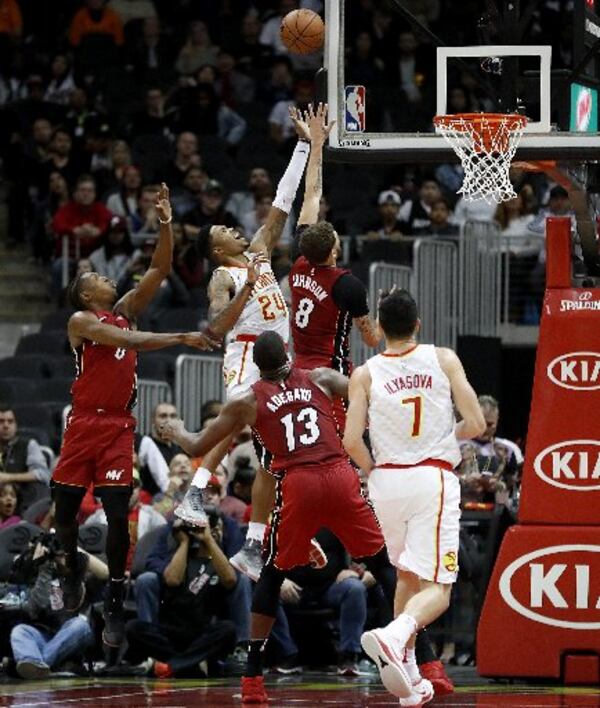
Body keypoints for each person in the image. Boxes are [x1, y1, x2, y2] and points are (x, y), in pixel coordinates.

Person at [159, 330, 398, 705]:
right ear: (288, 354)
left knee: (270, 572)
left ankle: (253, 675)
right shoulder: (317, 375)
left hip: (299, 481)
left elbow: (197, 444)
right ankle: (418, 654)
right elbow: (365, 394)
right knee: (383, 565)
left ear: (257, 367)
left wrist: (175, 430)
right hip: (338, 473)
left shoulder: (248, 399)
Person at [50, 183, 216, 651]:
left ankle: (115, 596)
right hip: (84, 422)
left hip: (119, 426)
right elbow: (133, 344)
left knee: (120, 513)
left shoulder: (125, 312)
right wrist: (182, 336)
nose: (107, 278)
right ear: (86, 295)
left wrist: (164, 221)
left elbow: (160, 267)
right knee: (63, 510)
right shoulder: (82, 323)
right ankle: (69, 568)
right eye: (96, 277)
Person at [173, 117, 311, 569]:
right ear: (216, 250)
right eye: (223, 233)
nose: (233, 231)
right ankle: (193, 497)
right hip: (248, 354)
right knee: (231, 428)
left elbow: (282, 204)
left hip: (279, 362)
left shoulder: (258, 251)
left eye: (233, 229)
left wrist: (305, 147)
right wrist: (249, 287)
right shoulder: (223, 274)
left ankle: (253, 544)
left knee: (273, 455)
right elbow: (215, 327)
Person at [343, 288, 485, 702]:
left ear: (381, 328)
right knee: (439, 588)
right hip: (431, 479)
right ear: (418, 325)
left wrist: (377, 473)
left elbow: (352, 440)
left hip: (386, 483)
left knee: (406, 575)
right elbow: (476, 422)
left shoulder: (365, 373)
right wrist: (446, 434)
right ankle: (396, 633)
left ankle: (408, 679)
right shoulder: (443, 359)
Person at [126, 512, 237, 678]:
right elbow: (172, 580)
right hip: (170, 632)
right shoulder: (180, 557)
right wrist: (184, 542)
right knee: (133, 628)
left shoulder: (219, 562)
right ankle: (190, 664)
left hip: (201, 634)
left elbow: (230, 580)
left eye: (216, 528)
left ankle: (173, 665)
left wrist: (209, 541)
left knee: (228, 629)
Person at [0, 406, 51, 512]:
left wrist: (8, 477)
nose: (5, 426)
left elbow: (43, 474)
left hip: (21, 503)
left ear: (16, 425)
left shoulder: (28, 445)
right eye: (1, 421)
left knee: (39, 487)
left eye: (10, 421)